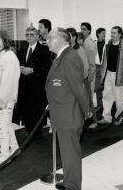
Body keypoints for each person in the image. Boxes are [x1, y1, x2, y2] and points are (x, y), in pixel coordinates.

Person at [45, 28, 89, 190]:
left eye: (50, 38)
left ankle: (73, 186)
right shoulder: (61, 56)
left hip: (69, 115)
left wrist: (87, 112)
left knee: (71, 153)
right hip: (62, 112)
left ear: (61, 40)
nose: (47, 40)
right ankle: (70, 180)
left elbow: (79, 88)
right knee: (66, 152)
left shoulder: (69, 57)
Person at [0, 29, 21, 166]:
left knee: (1, 126)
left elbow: (8, 81)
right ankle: (14, 148)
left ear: (5, 40)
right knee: (5, 125)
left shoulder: (10, 56)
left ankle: (4, 154)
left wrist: (2, 100)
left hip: (4, 99)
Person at [15, 26, 52, 137]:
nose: (29, 37)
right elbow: (17, 63)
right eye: (27, 34)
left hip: (37, 86)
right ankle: (28, 130)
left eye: (32, 34)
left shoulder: (44, 49)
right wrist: (20, 68)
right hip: (24, 86)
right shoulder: (23, 48)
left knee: (36, 110)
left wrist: (33, 70)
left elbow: (47, 68)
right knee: (26, 110)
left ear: (37, 36)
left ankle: (37, 133)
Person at [97, 26, 123, 126]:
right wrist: (103, 74)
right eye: (111, 33)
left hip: (119, 75)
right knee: (107, 96)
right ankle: (107, 117)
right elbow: (105, 61)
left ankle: (119, 117)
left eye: (114, 33)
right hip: (108, 74)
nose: (112, 34)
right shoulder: (108, 45)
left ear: (120, 34)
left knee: (119, 97)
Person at [94, 28, 106, 114]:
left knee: (106, 89)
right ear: (98, 34)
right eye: (102, 33)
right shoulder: (94, 44)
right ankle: (99, 105)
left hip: (105, 67)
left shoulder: (107, 44)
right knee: (97, 88)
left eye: (105, 33)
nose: (104, 35)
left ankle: (106, 106)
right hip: (96, 67)